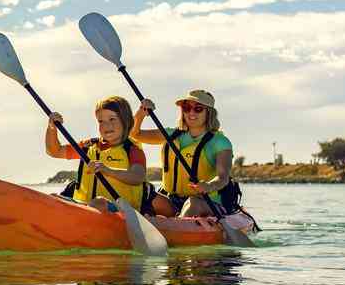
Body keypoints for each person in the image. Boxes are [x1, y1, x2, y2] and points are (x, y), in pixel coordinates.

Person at [129, 89, 233, 218]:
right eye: (187, 108)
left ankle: (179, 228)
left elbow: (223, 177)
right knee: (145, 195)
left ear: (209, 113)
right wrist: (140, 114)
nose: (191, 112)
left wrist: (209, 186)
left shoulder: (220, 142)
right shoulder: (170, 134)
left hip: (205, 202)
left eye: (198, 109)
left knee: (193, 203)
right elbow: (135, 134)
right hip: (171, 201)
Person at [45, 95, 153, 212]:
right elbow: (54, 151)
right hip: (84, 209)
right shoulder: (88, 146)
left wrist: (108, 170)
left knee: (99, 203)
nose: (106, 125)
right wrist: (52, 128)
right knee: (53, 198)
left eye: (112, 119)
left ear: (125, 121)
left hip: (122, 212)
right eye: (101, 121)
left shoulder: (132, 149)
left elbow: (137, 176)